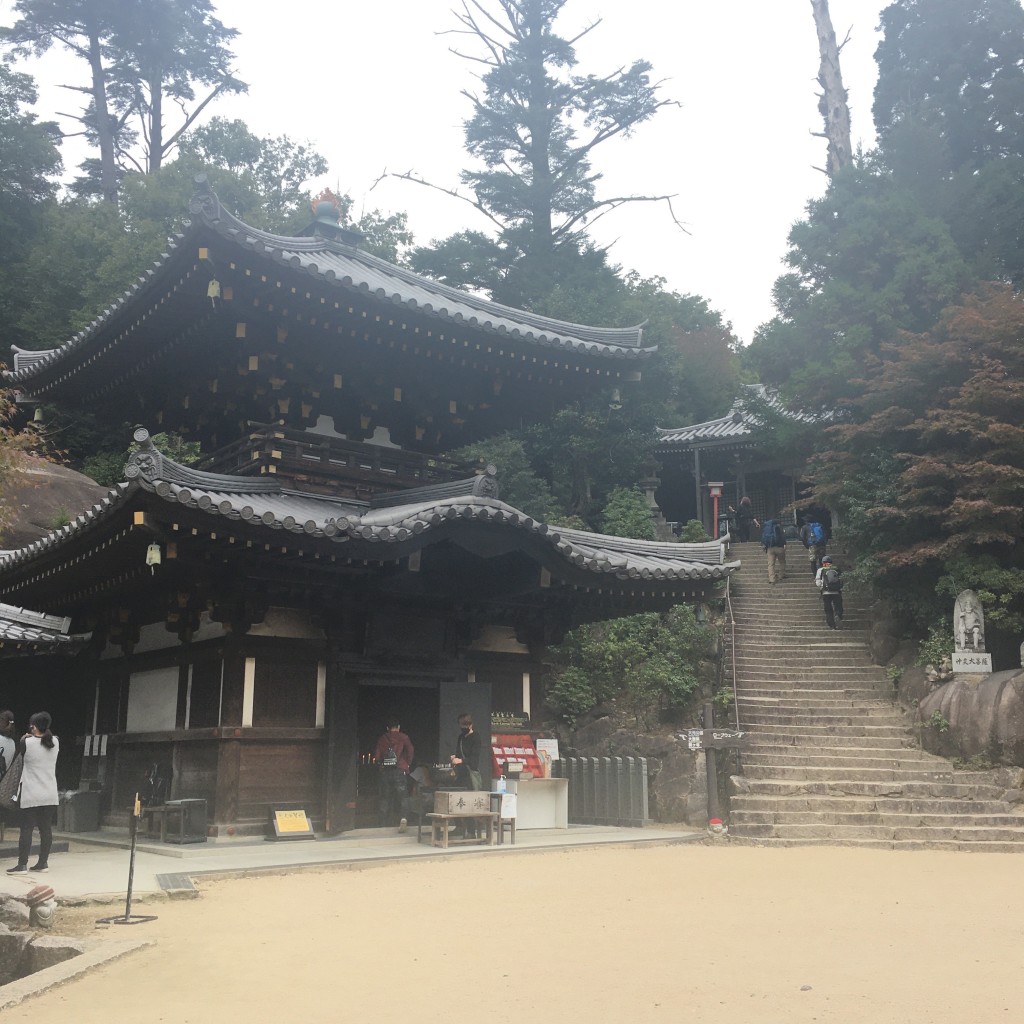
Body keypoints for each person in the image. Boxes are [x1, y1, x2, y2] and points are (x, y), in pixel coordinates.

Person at [7, 712, 59, 874]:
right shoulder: (56, 741)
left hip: (31, 793)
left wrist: (27, 737)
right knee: (46, 829)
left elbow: (21, 754)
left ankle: (22, 864)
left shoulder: (25, 742)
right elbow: (45, 740)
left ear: (33, 726)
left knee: (27, 829)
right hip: (50, 793)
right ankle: (43, 863)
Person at [373, 719, 414, 831]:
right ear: (399, 727)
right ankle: (403, 818)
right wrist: (407, 764)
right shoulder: (403, 737)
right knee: (403, 796)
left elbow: (377, 756)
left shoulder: (382, 738)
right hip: (400, 769)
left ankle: (382, 823)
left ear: (387, 728)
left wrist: (381, 765)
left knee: (385, 797)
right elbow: (410, 751)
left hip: (386, 771)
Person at [815, 555, 845, 630]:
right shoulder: (836, 569)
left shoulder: (821, 570)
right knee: (838, 606)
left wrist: (822, 587)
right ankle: (838, 615)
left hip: (826, 592)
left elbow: (818, 581)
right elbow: (841, 579)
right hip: (836, 592)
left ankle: (832, 625)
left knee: (828, 609)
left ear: (822, 562)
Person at [761, 515, 787, 584]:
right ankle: (781, 575)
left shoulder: (767, 529)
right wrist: (784, 544)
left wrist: (765, 546)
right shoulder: (778, 528)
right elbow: (782, 537)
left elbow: (763, 538)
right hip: (779, 547)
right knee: (782, 562)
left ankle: (772, 579)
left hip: (770, 548)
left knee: (771, 564)